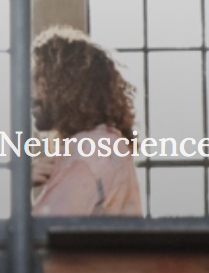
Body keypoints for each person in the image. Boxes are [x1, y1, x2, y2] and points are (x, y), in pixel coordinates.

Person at [30, 26, 144, 217]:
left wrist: (18, 186)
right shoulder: (107, 143)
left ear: (65, 87)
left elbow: (42, 231)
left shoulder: (86, 153)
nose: (30, 93)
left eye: (39, 81)